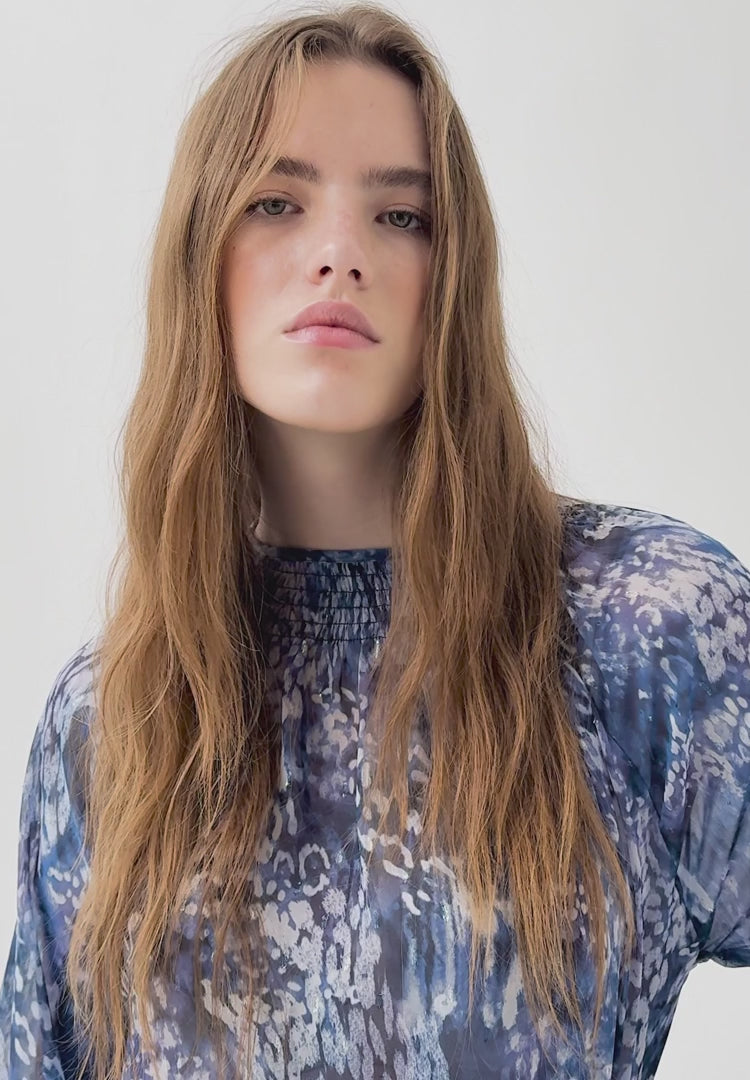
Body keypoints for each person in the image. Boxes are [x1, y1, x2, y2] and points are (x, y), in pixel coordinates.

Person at [2, 3, 749, 1078]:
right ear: (199, 255)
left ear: (456, 275)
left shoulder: (646, 631)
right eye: (276, 201)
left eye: (402, 216)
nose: (340, 255)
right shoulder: (113, 721)